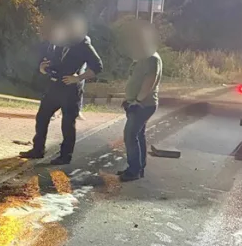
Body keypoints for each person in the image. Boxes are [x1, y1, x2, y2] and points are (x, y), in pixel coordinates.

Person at [20, 14, 102, 165]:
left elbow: (98, 66)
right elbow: (50, 60)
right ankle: (38, 149)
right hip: (54, 86)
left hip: (71, 89)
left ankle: (65, 155)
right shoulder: (58, 41)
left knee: (67, 123)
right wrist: (43, 68)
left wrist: (78, 78)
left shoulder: (83, 45)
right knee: (42, 116)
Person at [117, 22, 163, 182]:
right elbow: (135, 79)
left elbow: (149, 82)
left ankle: (134, 170)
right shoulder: (143, 57)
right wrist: (128, 99)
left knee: (130, 135)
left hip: (143, 104)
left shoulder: (152, 59)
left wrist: (136, 101)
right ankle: (138, 167)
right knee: (138, 135)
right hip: (138, 102)